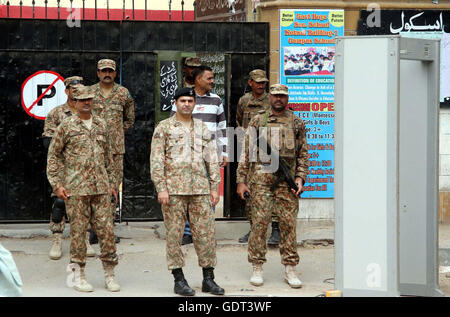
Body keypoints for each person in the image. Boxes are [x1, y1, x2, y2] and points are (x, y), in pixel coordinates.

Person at [151, 87, 225, 296]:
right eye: (182, 100)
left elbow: (211, 159)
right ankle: (178, 279)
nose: (186, 104)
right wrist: (161, 188)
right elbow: (156, 160)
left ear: (194, 104)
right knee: (174, 236)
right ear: (175, 103)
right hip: (173, 191)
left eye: (190, 101)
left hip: (200, 190)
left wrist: (214, 187)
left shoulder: (202, 128)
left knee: (206, 234)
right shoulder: (164, 128)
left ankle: (208, 278)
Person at [46, 85, 120, 293]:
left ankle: (110, 274)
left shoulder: (101, 124)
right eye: (82, 99)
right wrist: (57, 184)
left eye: (89, 99)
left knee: (106, 232)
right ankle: (77, 277)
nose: (86, 102)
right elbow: (53, 155)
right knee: (78, 235)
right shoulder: (66, 126)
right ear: (75, 102)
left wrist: (113, 183)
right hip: (76, 189)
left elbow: (109, 157)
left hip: (101, 189)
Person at [236, 84, 309, 289]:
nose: (279, 99)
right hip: (261, 180)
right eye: (276, 95)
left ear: (287, 99)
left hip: (287, 182)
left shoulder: (296, 122)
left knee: (288, 226)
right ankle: (257, 266)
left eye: (282, 96)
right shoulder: (258, 120)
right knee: (259, 224)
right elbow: (246, 152)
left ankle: (290, 267)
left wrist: (300, 178)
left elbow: (303, 154)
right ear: (270, 97)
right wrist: (241, 181)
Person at [171, 65, 228, 245]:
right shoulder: (185, 100)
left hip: (209, 156)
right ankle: (188, 231)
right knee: (188, 193)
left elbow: (222, 128)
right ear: (198, 79)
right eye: (209, 78)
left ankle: (204, 230)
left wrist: (224, 152)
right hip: (186, 156)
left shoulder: (216, 100)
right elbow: (174, 126)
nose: (212, 81)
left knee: (209, 193)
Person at [42, 76, 95, 260]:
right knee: (60, 202)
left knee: (85, 202)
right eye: (74, 90)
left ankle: (84, 238)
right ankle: (57, 238)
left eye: (81, 90)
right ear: (67, 91)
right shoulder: (56, 113)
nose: (78, 93)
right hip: (64, 167)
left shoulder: (91, 113)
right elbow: (49, 143)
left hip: (86, 168)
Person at [90, 59, 135, 244]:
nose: (107, 73)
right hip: (93, 148)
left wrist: (116, 132)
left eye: (110, 71)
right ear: (98, 73)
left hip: (116, 150)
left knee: (112, 189)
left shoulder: (123, 93)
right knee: (93, 187)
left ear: (115, 73)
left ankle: (107, 228)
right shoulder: (89, 92)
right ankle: (93, 229)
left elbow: (130, 118)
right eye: (103, 71)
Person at [235, 69, 280, 245]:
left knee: (274, 190)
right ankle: (254, 228)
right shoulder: (244, 101)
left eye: (263, 82)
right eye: (258, 82)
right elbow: (239, 121)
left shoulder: (270, 99)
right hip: (251, 152)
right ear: (250, 83)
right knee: (250, 190)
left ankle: (275, 229)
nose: (261, 85)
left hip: (270, 151)